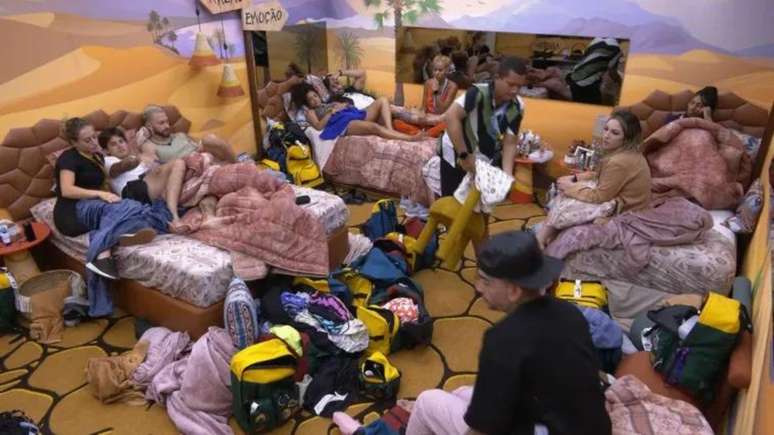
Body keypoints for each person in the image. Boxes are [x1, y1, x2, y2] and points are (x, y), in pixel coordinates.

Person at [403, 231, 611, 435]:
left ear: (514, 291)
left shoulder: (503, 339)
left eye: (485, 281)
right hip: (583, 425)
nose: (478, 287)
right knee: (461, 393)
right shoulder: (569, 312)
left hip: (545, 427)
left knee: (426, 402)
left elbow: (480, 431)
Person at [54, 118, 169, 316]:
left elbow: (109, 180)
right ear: (74, 142)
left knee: (138, 209)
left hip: (96, 208)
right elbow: (67, 190)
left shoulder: (97, 156)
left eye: (94, 137)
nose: (94, 142)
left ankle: (116, 240)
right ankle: (102, 253)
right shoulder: (68, 159)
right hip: (72, 212)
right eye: (87, 140)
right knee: (126, 208)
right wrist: (100, 194)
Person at [536, 110, 651, 248]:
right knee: (571, 191)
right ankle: (546, 237)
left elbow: (600, 196)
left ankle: (541, 239)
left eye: (615, 133)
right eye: (606, 129)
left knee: (567, 198)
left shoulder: (619, 161)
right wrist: (575, 178)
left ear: (626, 139)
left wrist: (570, 188)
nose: (606, 136)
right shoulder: (627, 153)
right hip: (618, 198)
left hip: (625, 208)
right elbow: (600, 175)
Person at [440, 56, 528, 197]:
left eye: (519, 86)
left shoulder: (517, 106)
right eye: (511, 84)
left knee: (477, 204)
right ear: (497, 78)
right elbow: (451, 116)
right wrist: (464, 155)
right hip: (456, 152)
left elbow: (510, 142)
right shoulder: (478, 92)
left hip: (482, 159)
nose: (515, 90)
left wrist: (507, 175)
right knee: (451, 203)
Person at [99, 127, 187, 223]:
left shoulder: (134, 157)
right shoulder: (108, 161)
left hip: (147, 185)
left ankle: (174, 210)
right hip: (133, 190)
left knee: (186, 171)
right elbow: (121, 166)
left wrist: (152, 165)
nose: (120, 146)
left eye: (121, 141)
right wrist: (138, 159)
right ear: (106, 150)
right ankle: (173, 215)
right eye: (113, 144)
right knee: (177, 163)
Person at [290, 83, 423, 141]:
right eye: (310, 99)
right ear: (306, 102)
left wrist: (342, 105)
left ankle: (390, 130)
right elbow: (318, 127)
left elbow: (340, 106)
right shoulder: (310, 112)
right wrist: (332, 111)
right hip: (342, 124)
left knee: (383, 100)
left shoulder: (326, 103)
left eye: (315, 96)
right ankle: (409, 139)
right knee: (374, 127)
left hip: (351, 114)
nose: (315, 100)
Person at [136, 105, 237, 164]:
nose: (167, 126)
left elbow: (200, 144)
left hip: (207, 159)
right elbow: (155, 168)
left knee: (209, 138)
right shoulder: (149, 146)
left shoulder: (180, 135)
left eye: (167, 121)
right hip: (189, 170)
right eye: (161, 123)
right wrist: (145, 133)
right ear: (149, 126)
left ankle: (237, 164)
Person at [394, 55, 458, 138]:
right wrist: (422, 114)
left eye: (440, 70)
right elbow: (424, 107)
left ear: (447, 71)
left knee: (447, 125)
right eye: (435, 70)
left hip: (440, 120)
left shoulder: (452, 86)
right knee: (397, 122)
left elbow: (442, 109)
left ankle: (424, 134)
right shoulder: (428, 83)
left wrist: (436, 92)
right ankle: (421, 133)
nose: (437, 73)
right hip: (427, 120)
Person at [566, 37, 622, 105]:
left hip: (574, 78)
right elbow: (612, 72)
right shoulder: (616, 49)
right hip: (588, 84)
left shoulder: (596, 40)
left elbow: (587, 59)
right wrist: (620, 82)